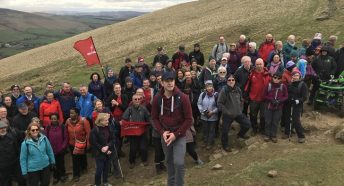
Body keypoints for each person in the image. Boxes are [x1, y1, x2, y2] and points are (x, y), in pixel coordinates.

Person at [151, 71, 193, 186]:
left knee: (179, 163)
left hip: (179, 135)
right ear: (162, 83)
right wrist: (162, 132)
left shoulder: (183, 97)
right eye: (167, 81)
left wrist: (176, 134)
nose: (170, 83)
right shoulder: (157, 98)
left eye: (172, 81)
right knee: (169, 162)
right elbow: (154, 118)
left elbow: (189, 119)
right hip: (165, 135)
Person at [218, 74, 251, 152]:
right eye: (229, 80)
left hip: (238, 113)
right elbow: (219, 103)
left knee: (247, 124)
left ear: (235, 81)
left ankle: (240, 135)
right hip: (228, 115)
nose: (231, 81)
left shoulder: (238, 89)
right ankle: (225, 145)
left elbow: (241, 100)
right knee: (225, 131)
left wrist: (240, 109)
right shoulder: (224, 90)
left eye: (233, 80)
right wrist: (227, 112)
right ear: (227, 81)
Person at [20, 122, 55, 186]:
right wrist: (24, 172)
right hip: (33, 169)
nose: (35, 131)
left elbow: (49, 150)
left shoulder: (44, 139)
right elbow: (23, 159)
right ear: (29, 131)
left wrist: (52, 161)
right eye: (33, 130)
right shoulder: (25, 144)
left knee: (46, 183)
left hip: (45, 166)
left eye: (37, 129)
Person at [121, 94, 151, 169]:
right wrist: (123, 122)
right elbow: (124, 118)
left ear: (140, 100)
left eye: (138, 99)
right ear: (132, 100)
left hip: (142, 132)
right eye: (135, 99)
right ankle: (132, 162)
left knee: (143, 147)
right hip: (133, 132)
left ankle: (144, 160)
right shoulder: (129, 109)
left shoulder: (144, 108)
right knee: (133, 148)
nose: (137, 100)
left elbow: (148, 118)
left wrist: (149, 123)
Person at [244, 58, 271, 134]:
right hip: (253, 98)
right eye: (257, 64)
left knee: (263, 116)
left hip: (264, 99)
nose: (259, 66)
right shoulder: (251, 73)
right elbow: (247, 85)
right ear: (255, 65)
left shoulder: (268, 74)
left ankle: (262, 129)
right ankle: (254, 129)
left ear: (263, 64)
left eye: (260, 64)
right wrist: (246, 94)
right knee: (253, 115)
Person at [66, 107, 91, 182]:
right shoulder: (68, 121)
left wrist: (88, 144)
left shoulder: (84, 121)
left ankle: (84, 167)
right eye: (70, 113)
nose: (70, 114)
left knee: (82, 156)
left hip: (82, 143)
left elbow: (88, 133)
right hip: (72, 144)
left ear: (77, 114)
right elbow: (66, 132)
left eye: (72, 113)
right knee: (75, 159)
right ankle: (76, 174)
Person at [282, 70, 308, 143]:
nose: (295, 77)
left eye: (297, 75)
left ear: (299, 76)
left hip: (297, 105)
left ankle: (301, 136)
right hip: (288, 104)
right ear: (292, 76)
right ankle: (287, 133)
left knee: (295, 119)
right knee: (287, 118)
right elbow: (287, 93)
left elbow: (304, 97)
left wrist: (298, 100)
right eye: (294, 75)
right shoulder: (290, 84)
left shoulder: (302, 84)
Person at [90, 113, 115, 186]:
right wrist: (101, 148)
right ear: (100, 121)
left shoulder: (109, 127)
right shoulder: (95, 130)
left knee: (106, 168)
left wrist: (108, 146)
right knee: (99, 169)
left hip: (108, 151)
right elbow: (93, 142)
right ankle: (97, 184)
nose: (108, 121)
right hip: (99, 153)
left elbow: (113, 139)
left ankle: (105, 182)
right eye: (106, 120)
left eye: (108, 120)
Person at [262, 73, 288, 143]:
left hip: (278, 107)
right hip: (269, 107)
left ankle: (273, 135)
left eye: (278, 78)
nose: (276, 79)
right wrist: (271, 99)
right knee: (268, 121)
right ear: (272, 78)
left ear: (281, 79)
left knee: (275, 122)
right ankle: (267, 135)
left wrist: (280, 101)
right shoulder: (269, 85)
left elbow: (286, 96)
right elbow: (264, 96)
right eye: (275, 78)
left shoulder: (283, 86)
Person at [105, 83, 129, 157]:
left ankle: (119, 150)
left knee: (121, 135)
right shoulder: (111, 97)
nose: (118, 89)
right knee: (115, 136)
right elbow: (108, 108)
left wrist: (117, 104)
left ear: (121, 88)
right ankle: (116, 151)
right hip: (114, 119)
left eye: (119, 88)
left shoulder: (124, 96)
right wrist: (112, 106)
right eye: (116, 88)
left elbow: (125, 108)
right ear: (113, 89)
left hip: (123, 118)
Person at [0, 120, 26, 186]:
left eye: (4, 128)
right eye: (0, 128)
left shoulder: (11, 137)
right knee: (5, 183)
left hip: (15, 163)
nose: (3, 130)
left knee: (22, 179)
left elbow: (17, 149)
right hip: (3, 167)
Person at [45, 113, 68, 184]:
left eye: (55, 119)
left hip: (61, 149)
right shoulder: (48, 127)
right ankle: (56, 176)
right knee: (53, 163)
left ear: (58, 119)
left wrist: (63, 147)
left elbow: (65, 138)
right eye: (52, 119)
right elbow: (46, 138)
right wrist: (48, 148)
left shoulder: (62, 126)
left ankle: (62, 175)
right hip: (52, 150)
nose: (53, 120)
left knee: (61, 162)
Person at [197, 80, 218, 149]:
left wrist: (213, 112)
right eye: (207, 87)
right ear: (205, 87)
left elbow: (219, 106)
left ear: (212, 87)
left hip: (213, 116)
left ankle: (210, 143)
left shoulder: (216, 95)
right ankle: (205, 141)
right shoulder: (202, 94)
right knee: (205, 130)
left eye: (210, 86)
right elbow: (199, 103)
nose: (209, 88)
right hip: (204, 116)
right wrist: (202, 111)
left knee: (211, 130)